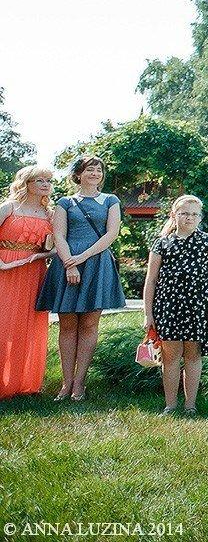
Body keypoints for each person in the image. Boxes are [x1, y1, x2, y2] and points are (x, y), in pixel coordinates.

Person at [36, 156, 125, 402]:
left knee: (89, 325)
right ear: (78, 174)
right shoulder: (65, 202)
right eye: (89, 169)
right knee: (67, 325)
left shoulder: (111, 200)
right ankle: (66, 383)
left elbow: (112, 234)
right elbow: (59, 235)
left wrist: (83, 257)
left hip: (96, 263)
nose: (95, 173)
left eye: (98, 170)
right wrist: (70, 264)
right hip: (68, 263)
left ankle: (79, 383)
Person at [143, 195, 208, 415]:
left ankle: (190, 406)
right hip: (168, 307)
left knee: (193, 356)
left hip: (197, 308)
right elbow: (151, 280)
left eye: (194, 214)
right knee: (170, 357)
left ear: (200, 217)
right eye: (184, 213)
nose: (189, 218)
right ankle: (170, 405)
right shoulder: (162, 243)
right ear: (174, 215)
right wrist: (148, 313)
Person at [0, 166, 56, 399]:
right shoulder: (8, 207)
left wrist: (41, 256)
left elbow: (58, 248)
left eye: (48, 181)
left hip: (34, 271)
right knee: (4, 324)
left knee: (28, 326)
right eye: (39, 180)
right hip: (5, 269)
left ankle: (23, 383)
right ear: (26, 183)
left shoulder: (50, 214)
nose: (45, 184)